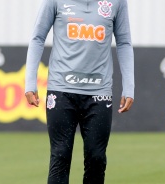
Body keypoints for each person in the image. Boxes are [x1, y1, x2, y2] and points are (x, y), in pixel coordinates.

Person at [25, 0, 134, 183]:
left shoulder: (117, 2)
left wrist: (129, 87)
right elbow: (37, 38)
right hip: (61, 90)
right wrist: (30, 83)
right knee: (60, 155)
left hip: (99, 91)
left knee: (96, 158)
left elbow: (124, 42)